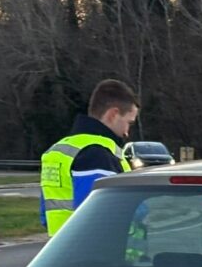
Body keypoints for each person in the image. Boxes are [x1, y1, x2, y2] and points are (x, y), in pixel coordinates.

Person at [39, 79, 139, 233]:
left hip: (60, 251)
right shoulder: (97, 154)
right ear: (113, 114)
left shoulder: (58, 151)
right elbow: (95, 218)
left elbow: (45, 216)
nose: (127, 132)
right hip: (97, 252)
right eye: (129, 123)